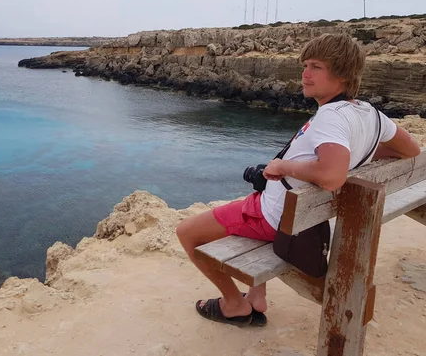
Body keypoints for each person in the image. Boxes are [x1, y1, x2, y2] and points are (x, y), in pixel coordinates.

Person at [176, 33, 421, 327]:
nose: (305, 74)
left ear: (342, 73)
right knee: (247, 202)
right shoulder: (370, 113)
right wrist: (356, 153)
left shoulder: (330, 116)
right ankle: (257, 298)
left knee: (187, 232)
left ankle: (234, 305)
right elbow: (412, 150)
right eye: (305, 65)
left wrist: (284, 166)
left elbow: (331, 177)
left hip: (274, 219)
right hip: (301, 215)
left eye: (316, 66)